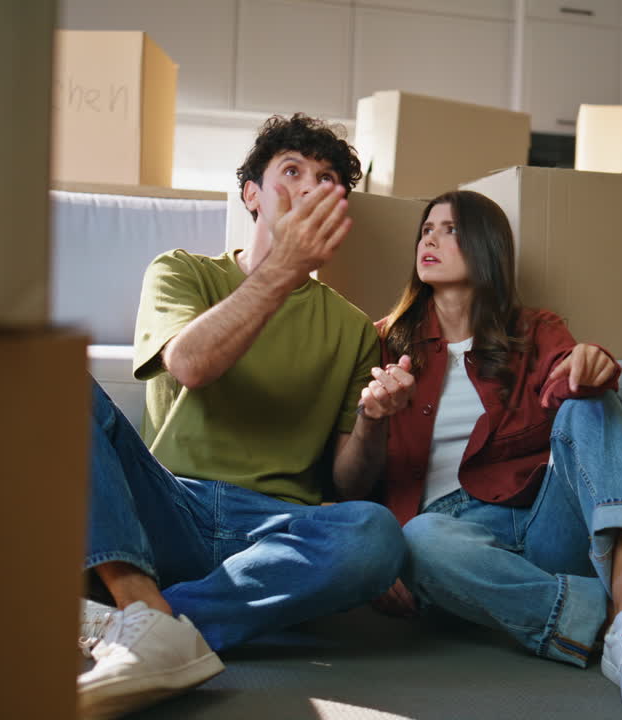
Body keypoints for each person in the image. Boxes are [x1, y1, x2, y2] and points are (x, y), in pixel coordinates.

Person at [364, 190, 622, 717]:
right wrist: (378, 554)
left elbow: (568, 377)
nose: (430, 238)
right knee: (418, 539)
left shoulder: (533, 329)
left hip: (544, 518)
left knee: (594, 400)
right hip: (456, 545)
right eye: (426, 229)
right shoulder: (384, 344)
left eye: (452, 229)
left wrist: (590, 363)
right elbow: (353, 470)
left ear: (488, 247)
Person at [76, 114, 413, 719]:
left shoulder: (355, 329)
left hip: (273, 529)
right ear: (251, 194)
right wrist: (285, 269)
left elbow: (345, 484)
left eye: (326, 180)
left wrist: (373, 418)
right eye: (291, 172)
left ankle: (148, 620)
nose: (309, 188)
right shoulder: (182, 271)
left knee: (375, 534)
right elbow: (190, 365)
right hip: (166, 503)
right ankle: (143, 611)